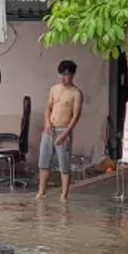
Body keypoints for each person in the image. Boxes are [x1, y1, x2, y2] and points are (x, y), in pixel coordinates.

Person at [38, 60, 85, 200]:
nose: (63, 78)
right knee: (43, 162)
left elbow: (76, 116)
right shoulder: (54, 89)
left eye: (66, 74)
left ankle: (64, 195)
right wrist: (47, 123)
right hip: (49, 129)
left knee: (64, 164)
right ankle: (41, 192)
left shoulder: (76, 93)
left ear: (72, 75)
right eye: (61, 74)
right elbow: (48, 107)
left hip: (64, 130)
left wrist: (65, 134)